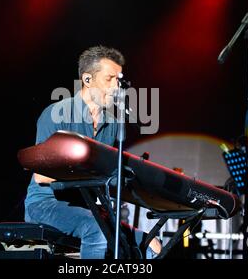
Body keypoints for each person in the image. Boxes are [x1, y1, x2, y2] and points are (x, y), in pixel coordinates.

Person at [24, 45, 162, 259]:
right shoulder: (56, 115)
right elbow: (42, 176)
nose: (116, 87)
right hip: (45, 204)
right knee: (96, 228)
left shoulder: (113, 124)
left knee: (152, 245)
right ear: (87, 80)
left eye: (119, 80)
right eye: (109, 79)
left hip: (89, 209)